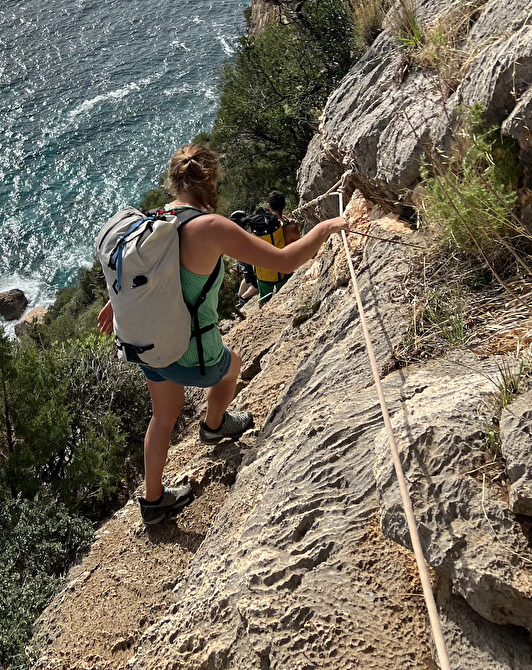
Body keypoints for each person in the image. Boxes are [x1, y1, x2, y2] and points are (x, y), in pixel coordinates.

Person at [98, 144, 347, 526]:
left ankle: (152, 502)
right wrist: (324, 229)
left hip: (146, 346)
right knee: (232, 365)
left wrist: (115, 303)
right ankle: (214, 426)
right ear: (210, 181)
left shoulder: (153, 221)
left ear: (174, 181)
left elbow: (139, 277)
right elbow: (284, 261)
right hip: (189, 353)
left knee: (162, 416)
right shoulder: (210, 228)